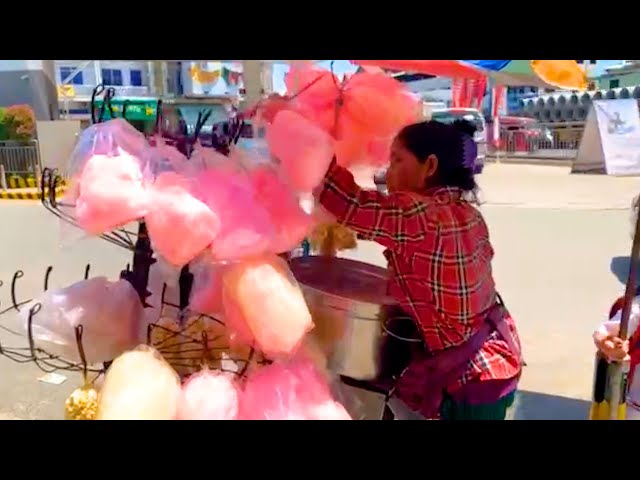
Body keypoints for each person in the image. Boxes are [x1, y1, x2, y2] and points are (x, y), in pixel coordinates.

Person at [315, 119, 523, 420]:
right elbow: (382, 225)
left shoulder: (423, 216)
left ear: (430, 166)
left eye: (398, 159)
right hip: (494, 358)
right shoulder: (466, 214)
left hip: (472, 382)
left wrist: (311, 143)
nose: (389, 170)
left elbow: (350, 204)